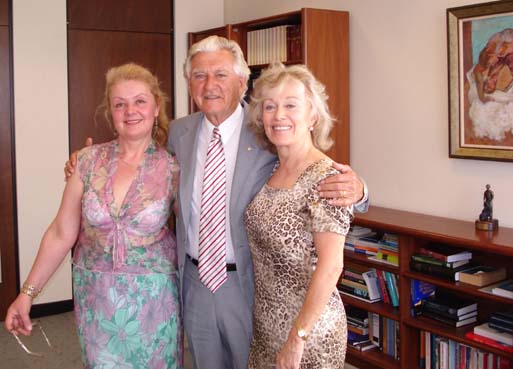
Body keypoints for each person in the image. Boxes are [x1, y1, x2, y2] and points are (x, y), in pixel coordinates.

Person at [66, 35, 368, 369]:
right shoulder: (177, 133)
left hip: (248, 285)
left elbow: (313, 171)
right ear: (189, 84)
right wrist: (85, 159)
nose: (209, 85)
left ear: (242, 82)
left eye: (221, 74)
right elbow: (133, 148)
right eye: (199, 75)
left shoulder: (268, 132)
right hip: (194, 281)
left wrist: (361, 190)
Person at [6, 63, 183, 369]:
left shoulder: (173, 168)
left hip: (153, 304)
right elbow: (62, 233)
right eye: (120, 104)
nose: (130, 111)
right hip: (97, 299)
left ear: (156, 107)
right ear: (110, 112)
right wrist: (27, 294)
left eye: (140, 101)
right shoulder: (87, 162)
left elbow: (194, 232)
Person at [245, 63, 350, 369]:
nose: (279, 115)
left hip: (309, 333)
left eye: (291, 105)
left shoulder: (328, 178)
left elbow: (331, 267)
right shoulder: (270, 169)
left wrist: (297, 338)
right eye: (270, 106)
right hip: (266, 325)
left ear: (313, 115)